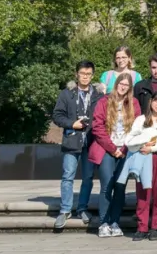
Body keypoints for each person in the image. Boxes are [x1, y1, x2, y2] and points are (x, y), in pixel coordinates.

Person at [89, 72, 140, 238]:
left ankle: (115, 222)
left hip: (125, 150)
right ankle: (103, 222)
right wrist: (112, 148)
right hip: (107, 149)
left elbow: (137, 128)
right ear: (116, 84)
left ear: (129, 87)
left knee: (120, 187)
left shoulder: (134, 103)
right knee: (107, 185)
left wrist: (124, 149)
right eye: (121, 83)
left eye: (127, 85)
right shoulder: (104, 102)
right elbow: (97, 127)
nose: (123, 86)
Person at [53, 60, 102, 229]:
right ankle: (65, 209)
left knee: (88, 178)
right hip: (72, 140)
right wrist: (71, 123)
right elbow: (57, 115)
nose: (85, 77)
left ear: (92, 75)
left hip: (91, 141)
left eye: (88, 74)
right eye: (82, 74)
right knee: (68, 176)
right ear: (76, 74)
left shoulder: (98, 95)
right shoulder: (66, 94)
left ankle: (82, 207)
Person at [122, 92, 157, 241]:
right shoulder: (141, 120)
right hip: (143, 157)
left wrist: (152, 148)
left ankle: (156, 227)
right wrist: (143, 143)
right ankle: (142, 226)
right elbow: (130, 139)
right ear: (151, 102)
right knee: (143, 192)